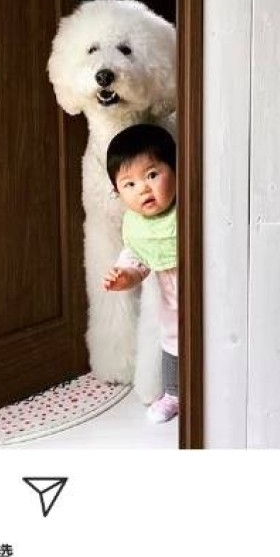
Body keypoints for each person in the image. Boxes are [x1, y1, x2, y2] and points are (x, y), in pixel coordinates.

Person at [102, 124, 178, 423]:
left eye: (152, 175)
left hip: (209, 292)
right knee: (172, 342)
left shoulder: (188, 208)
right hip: (173, 301)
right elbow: (137, 258)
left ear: (176, 169)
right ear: (117, 192)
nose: (143, 188)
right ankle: (173, 394)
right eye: (128, 184)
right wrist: (125, 276)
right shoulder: (137, 227)